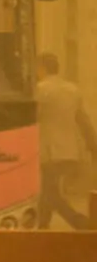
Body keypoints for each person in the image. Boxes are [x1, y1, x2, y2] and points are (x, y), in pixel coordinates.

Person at [35, 53, 96, 230]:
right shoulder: (73, 90)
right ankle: (42, 228)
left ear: (42, 68)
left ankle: (80, 223)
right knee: (48, 190)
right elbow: (83, 120)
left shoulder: (41, 90)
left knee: (51, 193)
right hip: (69, 152)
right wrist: (93, 146)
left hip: (49, 152)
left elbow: (34, 117)